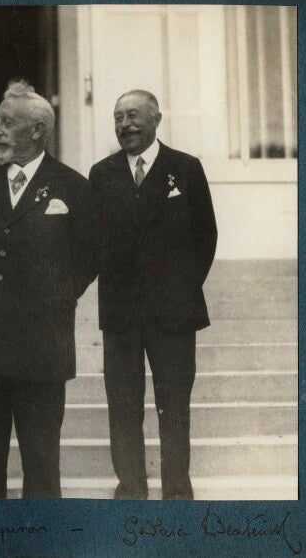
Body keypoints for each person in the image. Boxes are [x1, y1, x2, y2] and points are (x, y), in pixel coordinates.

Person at [0, 80, 97, 499]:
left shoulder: (74, 188)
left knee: (42, 472)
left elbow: (88, 256)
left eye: (7, 122)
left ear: (37, 130)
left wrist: (53, 297)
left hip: (41, 350)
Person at [89, 90, 217, 500]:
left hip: (174, 314)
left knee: (174, 408)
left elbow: (205, 237)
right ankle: (131, 490)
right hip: (121, 314)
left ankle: (177, 493)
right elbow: (95, 241)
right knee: (124, 408)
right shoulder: (101, 173)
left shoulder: (186, 168)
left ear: (156, 118)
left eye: (132, 115)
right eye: (117, 117)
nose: (124, 124)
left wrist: (179, 287)